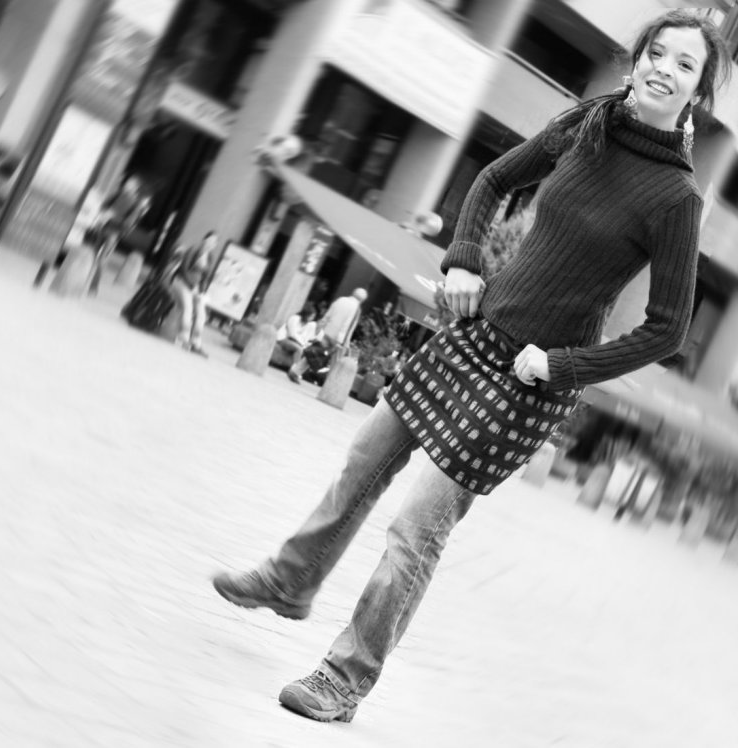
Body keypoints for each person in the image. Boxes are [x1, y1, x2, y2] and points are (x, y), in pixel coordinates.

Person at [212, 10, 730, 724]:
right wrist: (461, 260)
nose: (663, 70)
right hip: (477, 332)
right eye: (657, 53)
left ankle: (345, 677)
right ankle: (289, 578)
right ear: (635, 58)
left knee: (417, 528)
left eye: (684, 66)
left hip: (529, 378)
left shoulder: (677, 199)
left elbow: (667, 329)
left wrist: (562, 365)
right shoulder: (587, 123)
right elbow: (491, 179)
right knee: (364, 458)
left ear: (698, 92)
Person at [287, 287, 368, 383]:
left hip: (327, 332)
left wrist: (320, 329)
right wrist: (342, 342)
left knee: (316, 353)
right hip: (339, 339)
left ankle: (295, 371)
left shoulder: (341, 300)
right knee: (335, 362)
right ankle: (330, 384)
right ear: (363, 300)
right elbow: (347, 325)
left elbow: (327, 316)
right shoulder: (356, 309)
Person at [169, 231, 219, 355]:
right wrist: (192, 287)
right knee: (188, 308)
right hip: (182, 282)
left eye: (214, 242)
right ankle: (183, 338)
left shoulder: (210, 257)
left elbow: (205, 276)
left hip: (195, 288)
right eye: (209, 240)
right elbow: (184, 268)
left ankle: (196, 342)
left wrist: (202, 292)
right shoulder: (193, 250)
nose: (211, 244)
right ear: (204, 240)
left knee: (201, 314)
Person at [277, 302, 320, 372]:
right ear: (307, 314)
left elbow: (304, 337)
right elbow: (292, 334)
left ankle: (296, 369)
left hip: (294, 342)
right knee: (299, 349)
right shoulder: (295, 319)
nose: (312, 319)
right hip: (283, 339)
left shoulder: (306, 324)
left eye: (313, 317)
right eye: (311, 316)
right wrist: (301, 343)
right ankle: (294, 370)